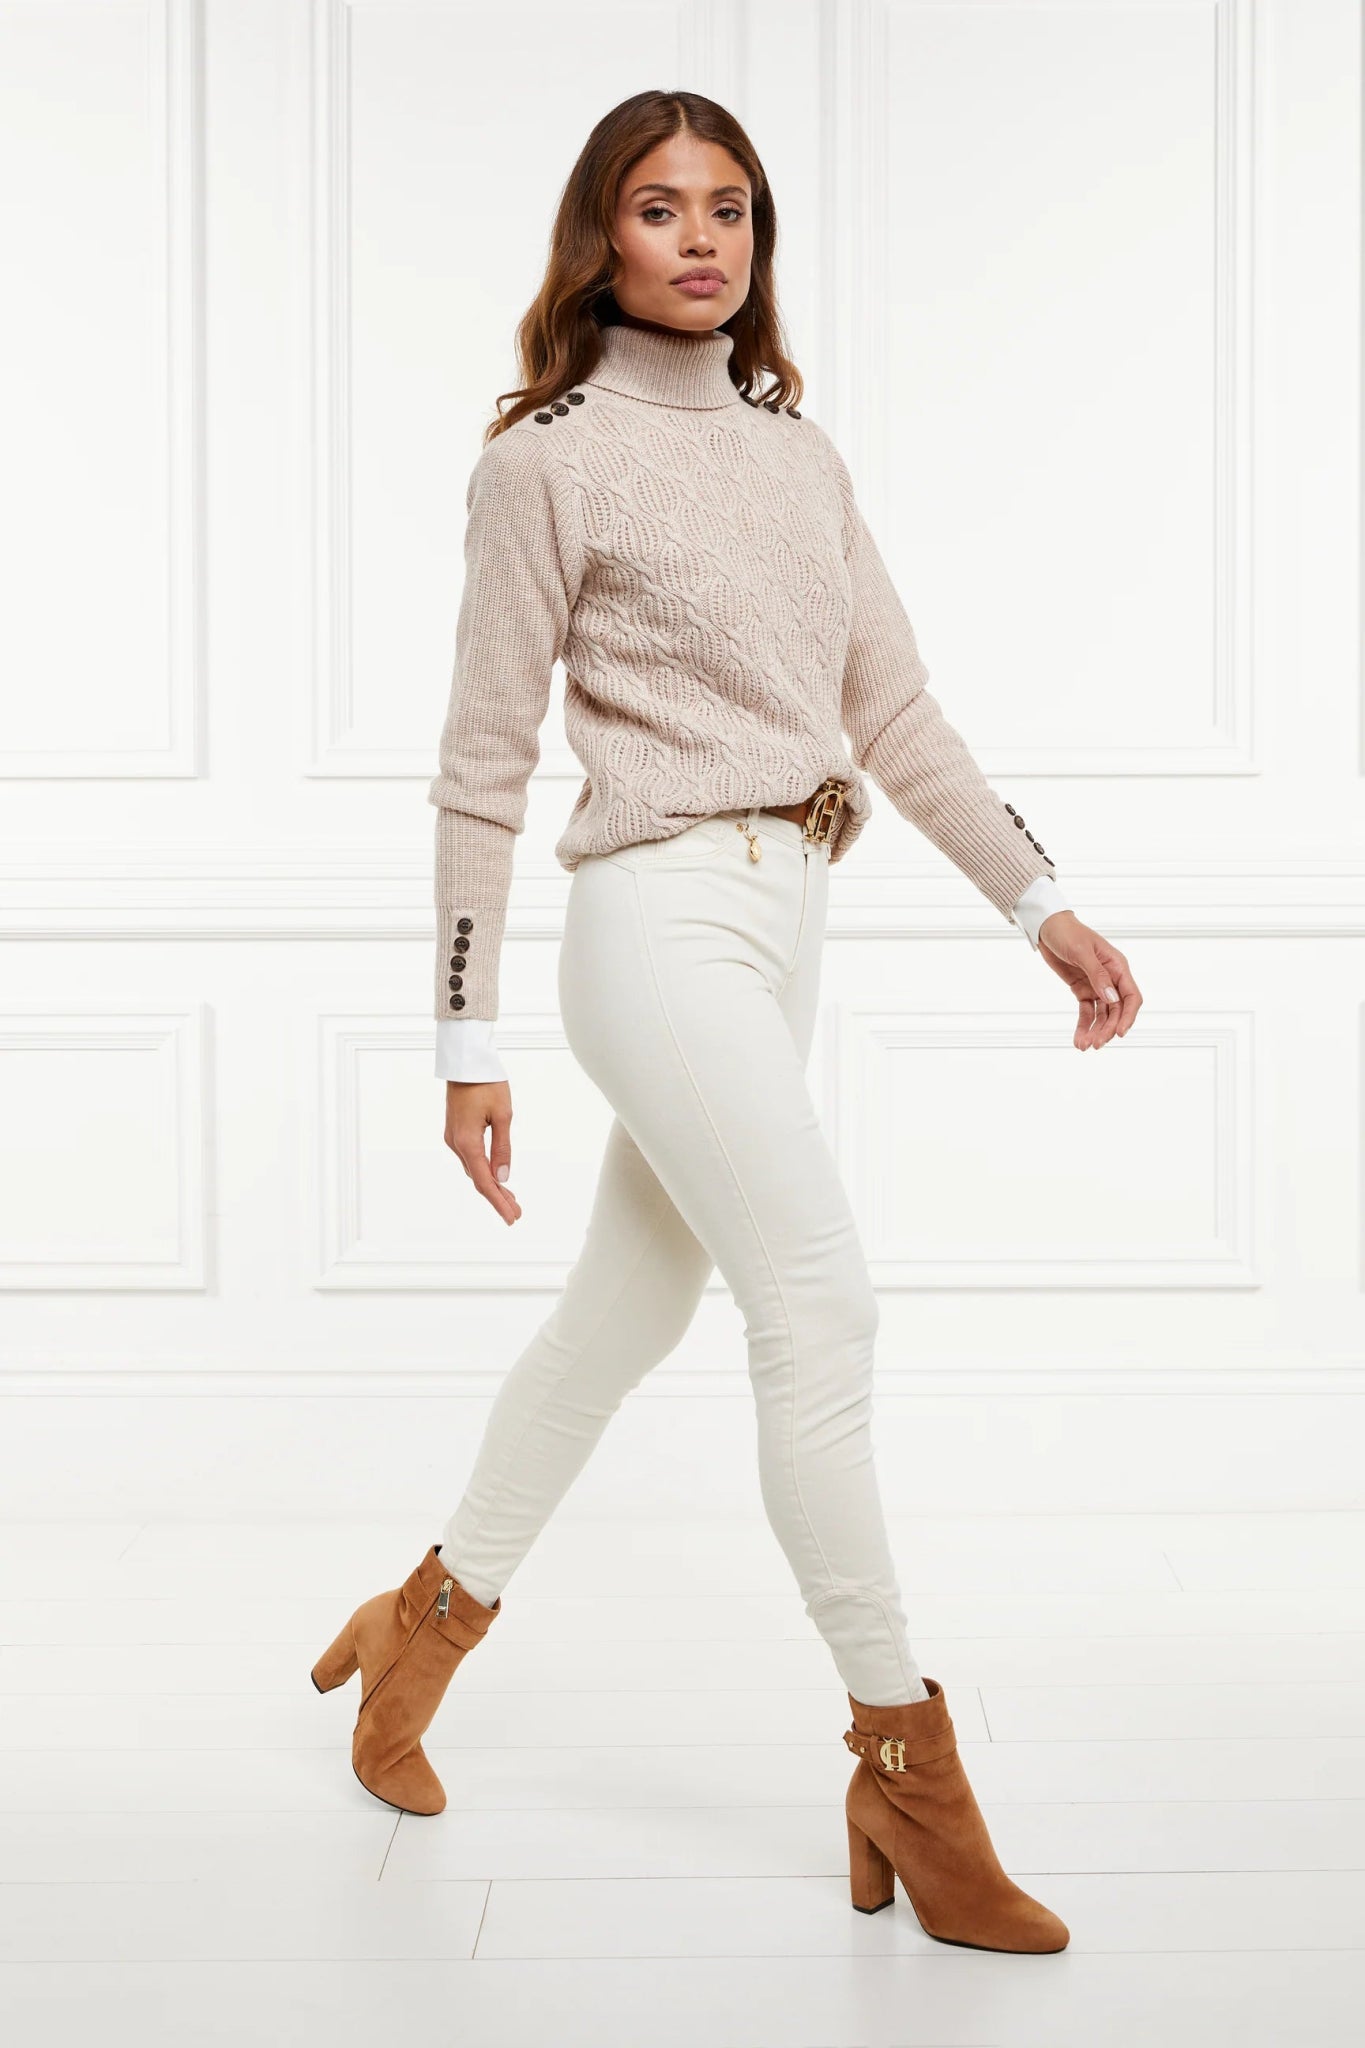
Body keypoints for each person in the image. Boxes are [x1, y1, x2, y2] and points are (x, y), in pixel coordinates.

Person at [311, 88, 1141, 1955]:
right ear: (596, 237)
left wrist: (1037, 900)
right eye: (658, 206)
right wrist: (462, 1040)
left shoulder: (799, 458)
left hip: (786, 919)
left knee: (627, 1312)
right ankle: (904, 1766)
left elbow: (894, 712)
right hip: (653, 920)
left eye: (730, 209)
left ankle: (419, 1629)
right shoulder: (543, 463)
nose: (699, 239)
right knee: (820, 1309)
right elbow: (480, 763)